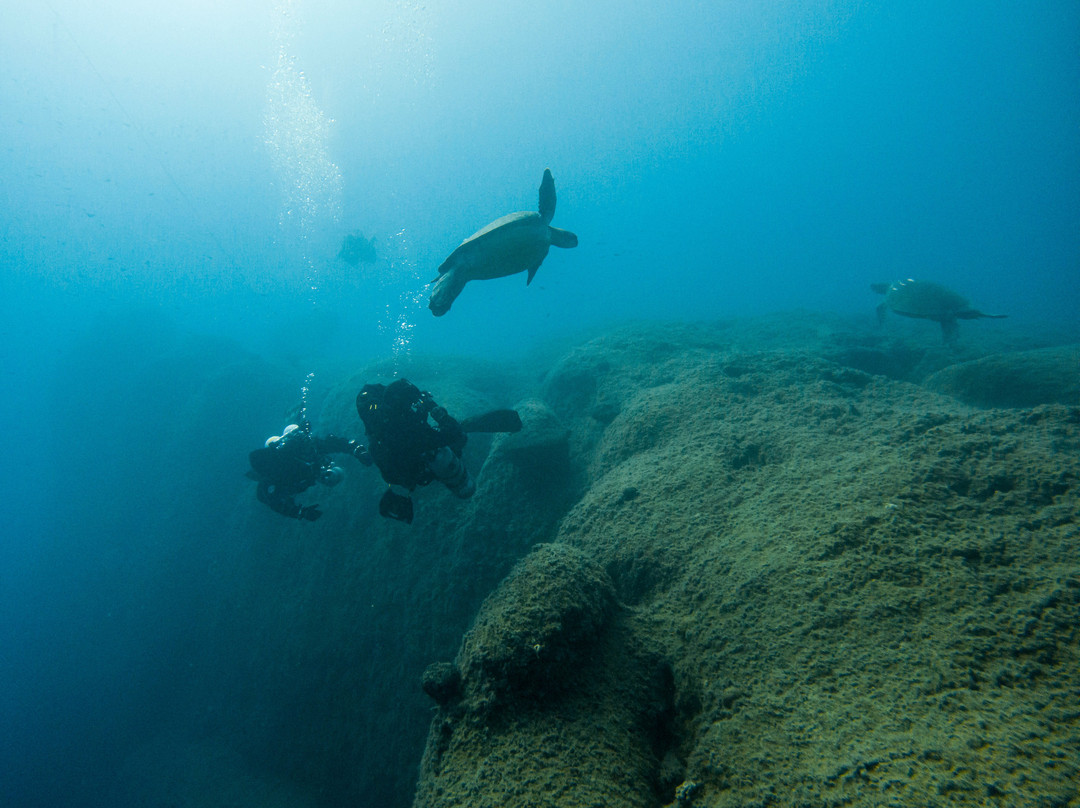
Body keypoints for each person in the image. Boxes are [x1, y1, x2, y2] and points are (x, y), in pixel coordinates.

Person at [356, 379, 476, 524]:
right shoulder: (413, 431)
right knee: (458, 441)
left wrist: (414, 399)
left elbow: (372, 392)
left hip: (399, 467)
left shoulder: (383, 417)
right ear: (403, 405)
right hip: (411, 467)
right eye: (412, 403)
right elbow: (453, 432)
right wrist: (435, 410)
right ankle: (453, 477)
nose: (414, 405)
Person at [247, 422, 372, 521]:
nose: (326, 477)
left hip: (291, 471)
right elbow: (268, 498)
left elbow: (338, 444)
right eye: (330, 478)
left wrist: (358, 451)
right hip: (285, 471)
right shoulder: (286, 469)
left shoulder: (312, 450)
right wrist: (299, 512)